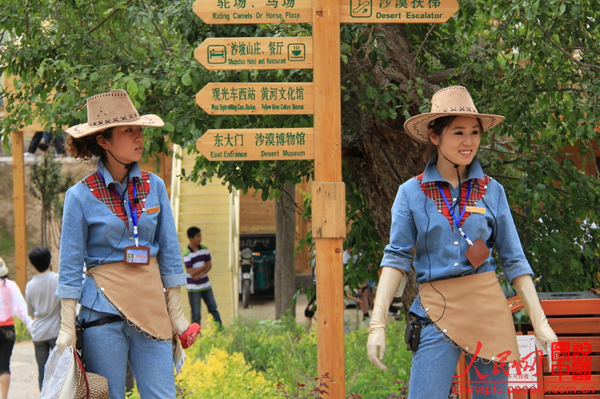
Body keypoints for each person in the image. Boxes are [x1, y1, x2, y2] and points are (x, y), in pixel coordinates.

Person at [367, 86, 558, 398]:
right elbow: (396, 259)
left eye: (474, 132)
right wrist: (377, 325)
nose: (469, 142)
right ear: (434, 136)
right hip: (436, 309)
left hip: (486, 309)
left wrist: (540, 322)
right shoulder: (411, 193)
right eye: (458, 132)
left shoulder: (492, 191)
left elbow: (514, 260)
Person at [55, 89, 200, 399]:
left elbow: (171, 255)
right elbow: (69, 266)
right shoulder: (79, 196)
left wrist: (175, 313)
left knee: (162, 395)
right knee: (109, 396)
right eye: (129, 130)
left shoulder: (155, 185)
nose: (139, 138)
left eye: (139, 130)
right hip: (101, 312)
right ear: (104, 141)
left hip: (151, 307)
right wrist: (67, 326)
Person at [25, 247, 61, 390]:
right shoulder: (57, 279)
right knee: (60, 368)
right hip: (56, 332)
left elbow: (30, 311)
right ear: (49, 260)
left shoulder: (30, 285)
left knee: (43, 370)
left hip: (39, 333)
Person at [0, 257, 33, 399]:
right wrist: (32, 328)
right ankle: (4, 397)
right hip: (8, 328)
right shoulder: (11, 285)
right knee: (4, 365)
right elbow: (22, 309)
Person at [183, 226, 222, 327]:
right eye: (198, 236)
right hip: (193, 288)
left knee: (213, 308)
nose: (200, 238)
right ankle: (196, 336)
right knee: (196, 313)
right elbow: (192, 273)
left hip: (206, 285)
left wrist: (199, 274)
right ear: (191, 239)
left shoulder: (204, 249)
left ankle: (219, 330)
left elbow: (209, 265)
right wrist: (204, 267)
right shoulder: (187, 254)